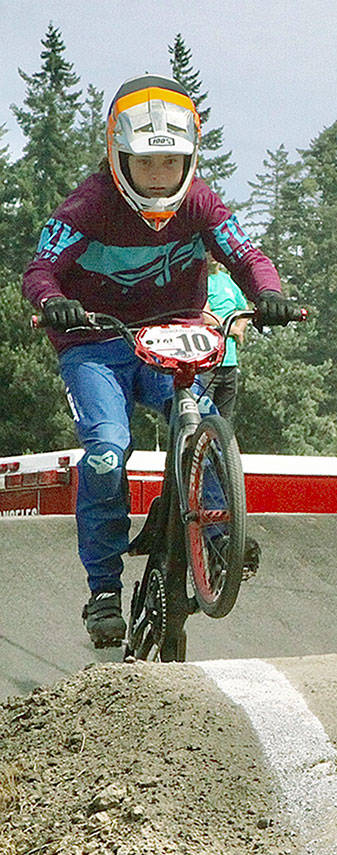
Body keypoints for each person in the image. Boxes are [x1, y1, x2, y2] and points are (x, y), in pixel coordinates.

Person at [22, 74, 298, 648]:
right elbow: (39, 271)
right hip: (95, 343)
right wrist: (54, 303)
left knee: (195, 421)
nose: (158, 176)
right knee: (105, 455)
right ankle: (103, 590)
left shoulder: (200, 202)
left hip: (172, 335)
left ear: (190, 160)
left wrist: (267, 291)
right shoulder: (90, 204)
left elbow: (247, 254)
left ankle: (217, 530)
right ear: (116, 155)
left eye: (170, 163)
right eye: (145, 163)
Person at [201, 253, 250, 421]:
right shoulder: (199, 280)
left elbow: (243, 310)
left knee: (225, 422)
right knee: (203, 419)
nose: (212, 256)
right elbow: (205, 315)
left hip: (229, 363)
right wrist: (233, 330)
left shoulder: (228, 281)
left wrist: (239, 329)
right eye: (208, 251)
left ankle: (223, 449)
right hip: (207, 363)